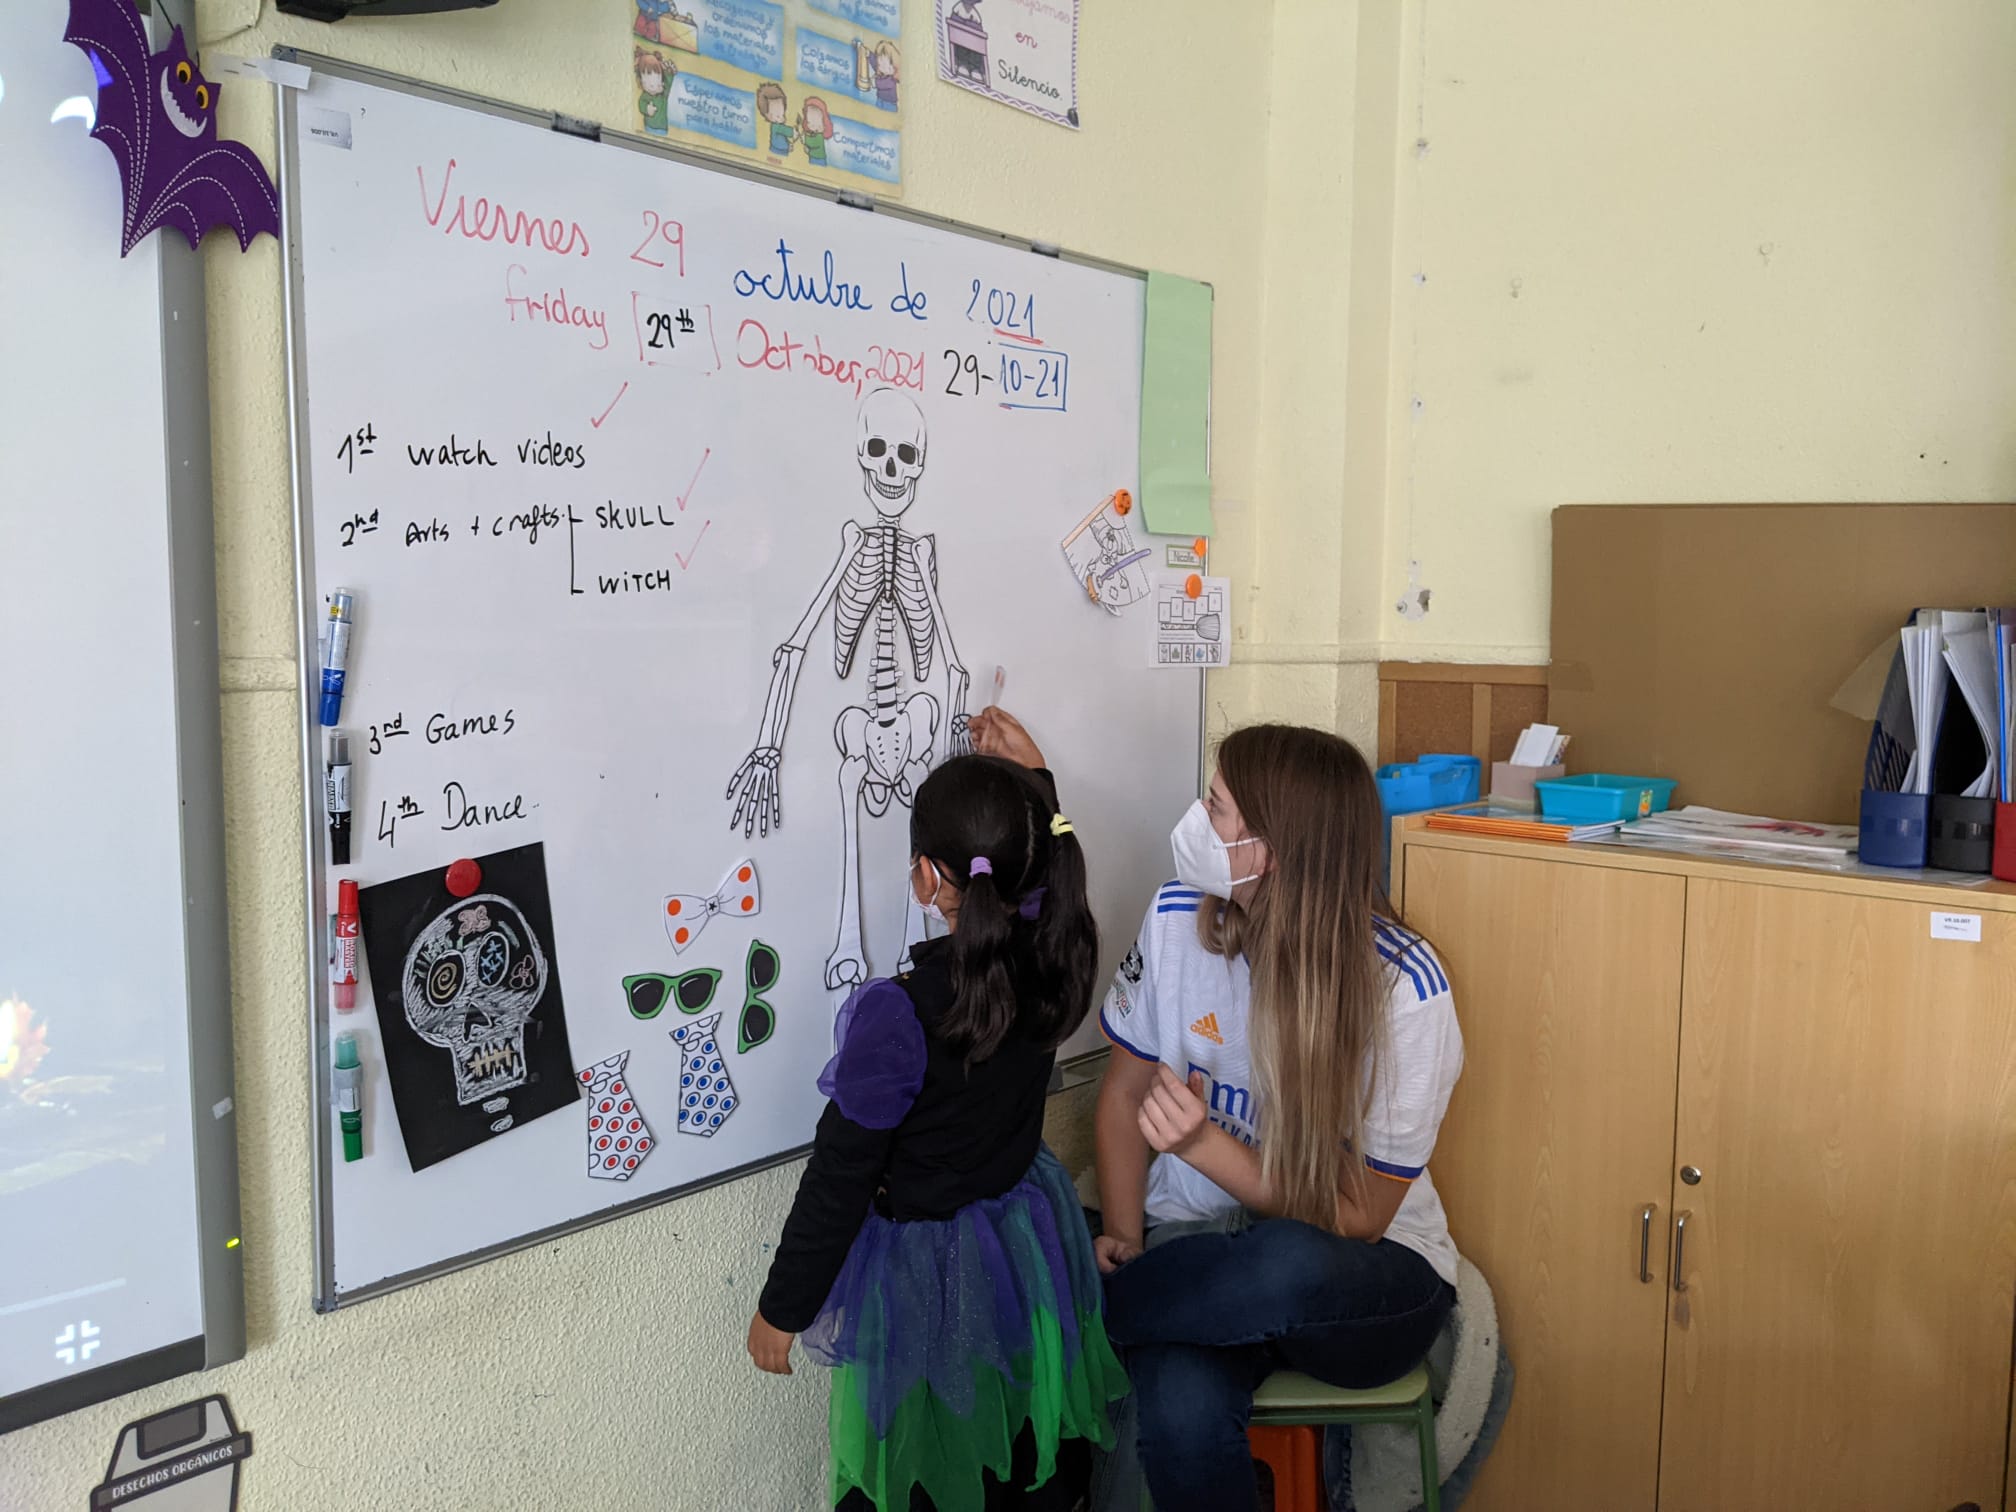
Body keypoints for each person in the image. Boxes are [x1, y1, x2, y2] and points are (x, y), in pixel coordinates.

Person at [749, 711, 1127, 1512]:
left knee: (924, 1460)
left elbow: (841, 1173)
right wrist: (1039, 785)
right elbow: (1051, 874)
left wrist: (783, 1309)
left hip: (923, 1275)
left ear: (927, 878)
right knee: (1013, 1432)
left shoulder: (898, 1013)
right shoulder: (1056, 956)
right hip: (1022, 1239)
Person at [1093, 724, 1464, 1512]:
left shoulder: (1405, 987)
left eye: (1217, 807)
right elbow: (1123, 1096)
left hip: (1365, 1276)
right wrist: (1124, 1234)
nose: (1197, 818)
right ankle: (1117, 1301)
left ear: (1268, 851)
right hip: (1194, 1262)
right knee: (1181, 1413)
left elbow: (1359, 1216)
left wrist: (1202, 1144)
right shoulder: (1174, 919)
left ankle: (1079, 1312)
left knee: (1286, 1260)